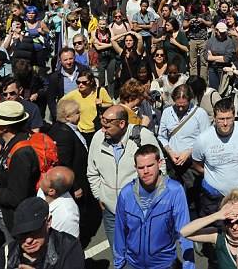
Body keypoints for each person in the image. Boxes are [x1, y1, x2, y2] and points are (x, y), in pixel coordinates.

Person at [87, 104, 162, 251]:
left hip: (140, 211)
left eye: (107, 127)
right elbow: (92, 171)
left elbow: (160, 169)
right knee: (118, 255)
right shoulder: (98, 138)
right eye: (102, 126)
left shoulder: (143, 136)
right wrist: (99, 196)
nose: (103, 130)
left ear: (122, 124)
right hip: (111, 213)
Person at [113, 144, 194, 269]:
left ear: (160, 163)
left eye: (150, 166)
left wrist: (189, 266)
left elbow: (185, 231)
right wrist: (119, 264)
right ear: (135, 168)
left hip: (164, 265)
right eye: (141, 167)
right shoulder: (126, 193)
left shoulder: (174, 191)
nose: (146, 171)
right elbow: (119, 231)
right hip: (134, 265)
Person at [0, 100, 42, 241]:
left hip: (20, 220)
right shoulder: (14, 142)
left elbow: (17, 197)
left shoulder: (21, 153)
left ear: (6, 127)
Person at [191, 97, 238, 219]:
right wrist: (210, 174)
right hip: (215, 196)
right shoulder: (203, 139)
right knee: (217, 229)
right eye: (221, 119)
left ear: (234, 117)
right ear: (215, 119)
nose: (225, 123)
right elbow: (196, 163)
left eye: (229, 118)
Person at [46, 98, 99, 246]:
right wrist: (74, 186)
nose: (80, 115)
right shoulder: (64, 134)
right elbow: (64, 163)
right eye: (77, 113)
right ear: (67, 117)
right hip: (75, 181)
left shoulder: (65, 129)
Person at [0, 195, 85, 269]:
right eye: (22, 234)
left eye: (34, 231)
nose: (28, 240)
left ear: (48, 222)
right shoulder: (5, 256)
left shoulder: (69, 248)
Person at [157, 83, 211, 205]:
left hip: (192, 164)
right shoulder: (167, 112)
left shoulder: (200, 114)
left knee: (194, 196)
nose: (180, 108)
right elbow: (162, 136)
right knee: (172, 196)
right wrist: (170, 151)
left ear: (190, 100)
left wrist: (189, 152)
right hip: (173, 163)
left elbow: (206, 139)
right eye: (178, 105)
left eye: (184, 105)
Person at [37, 166, 80, 241]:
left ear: (51, 191)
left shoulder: (67, 216)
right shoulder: (43, 190)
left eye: (46, 177)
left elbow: (70, 245)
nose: (43, 175)